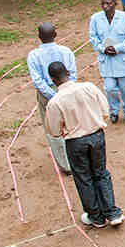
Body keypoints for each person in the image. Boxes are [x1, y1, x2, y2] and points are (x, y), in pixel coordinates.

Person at [45, 61, 123, 228]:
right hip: (96, 136)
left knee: (83, 177)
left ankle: (96, 217)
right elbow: (104, 110)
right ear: (68, 72)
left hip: (75, 141)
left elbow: (54, 131)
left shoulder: (55, 102)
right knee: (101, 173)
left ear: (52, 80)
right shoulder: (89, 87)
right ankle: (112, 212)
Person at [27, 22, 77, 174]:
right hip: (66, 89)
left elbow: (38, 81)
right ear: (55, 35)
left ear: (39, 37)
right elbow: (72, 74)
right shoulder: (66, 51)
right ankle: (77, 159)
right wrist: (65, 91)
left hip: (47, 93)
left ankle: (66, 165)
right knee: (72, 123)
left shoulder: (33, 55)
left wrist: (52, 95)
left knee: (52, 128)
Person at [88, 0, 125, 125]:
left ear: (115, 4)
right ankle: (114, 111)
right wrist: (102, 48)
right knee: (110, 88)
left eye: (109, 3)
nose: (105, 6)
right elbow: (93, 38)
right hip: (107, 61)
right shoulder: (95, 19)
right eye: (103, 3)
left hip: (124, 60)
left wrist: (118, 48)